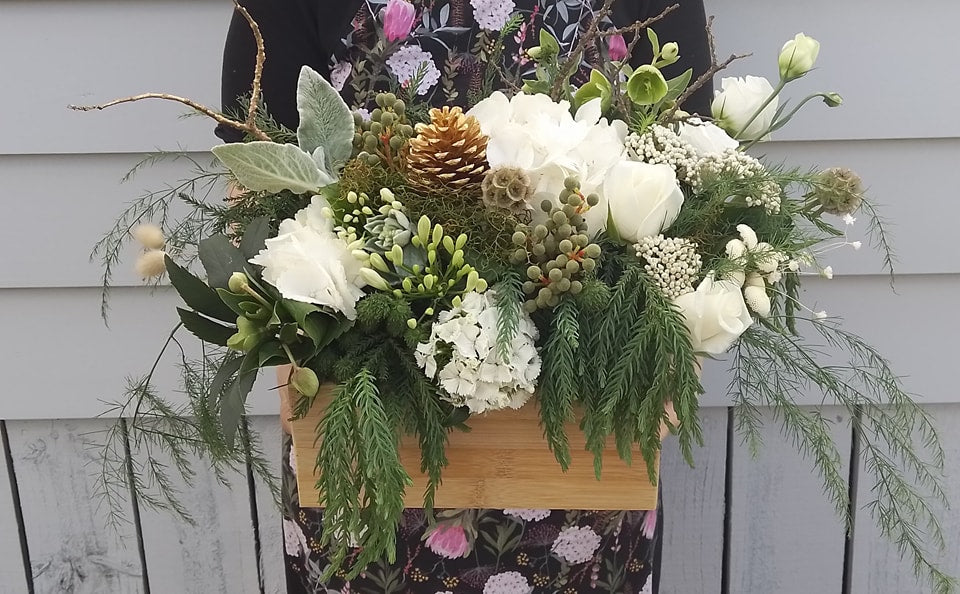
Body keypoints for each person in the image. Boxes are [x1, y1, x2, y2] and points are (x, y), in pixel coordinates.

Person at [219, 2, 711, 592]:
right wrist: (286, 342)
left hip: (583, 431)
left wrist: (677, 353)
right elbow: (254, 166)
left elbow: (693, 159)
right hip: (371, 432)